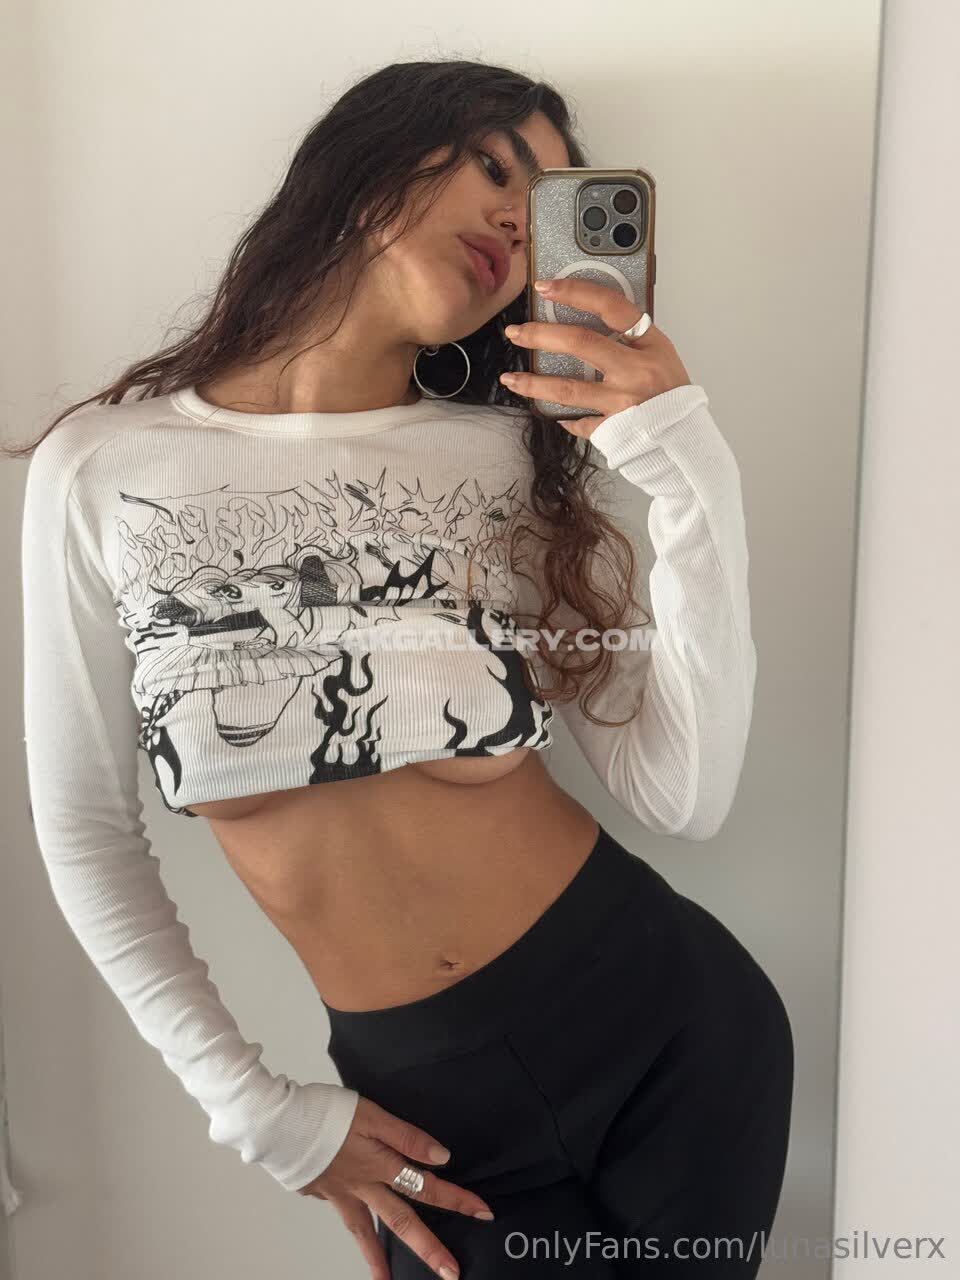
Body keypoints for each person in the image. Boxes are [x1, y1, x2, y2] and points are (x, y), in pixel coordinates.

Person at [14, 59, 793, 1280]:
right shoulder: (106, 468)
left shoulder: (505, 462)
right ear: (369, 159)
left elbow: (682, 792)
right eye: (492, 165)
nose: (511, 221)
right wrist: (258, 1110)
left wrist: (691, 468)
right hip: (431, 1125)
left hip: (674, 1034)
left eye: (540, 205)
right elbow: (85, 830)